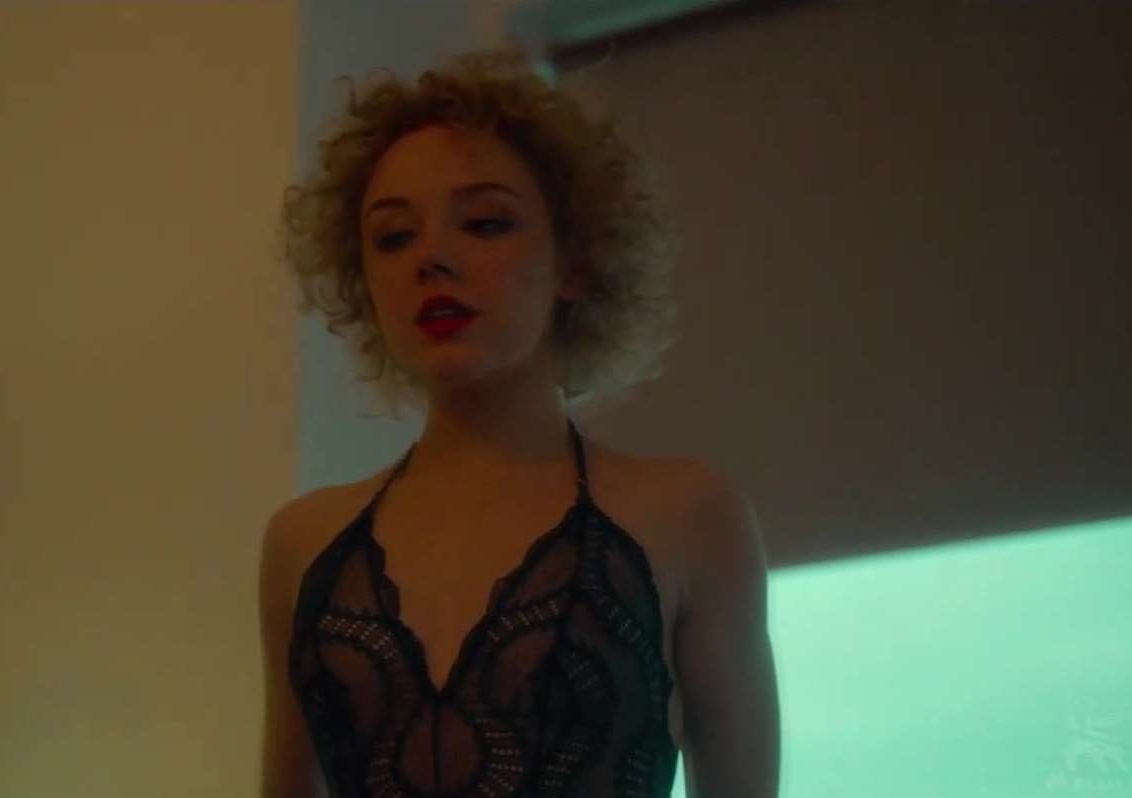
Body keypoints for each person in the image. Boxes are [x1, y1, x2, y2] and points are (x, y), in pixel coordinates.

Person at [260, 47, 779, 798]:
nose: (432, 259)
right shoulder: (301, 542)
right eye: (394, 237)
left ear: (573, 262)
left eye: (484, 222)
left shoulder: (688, 514)